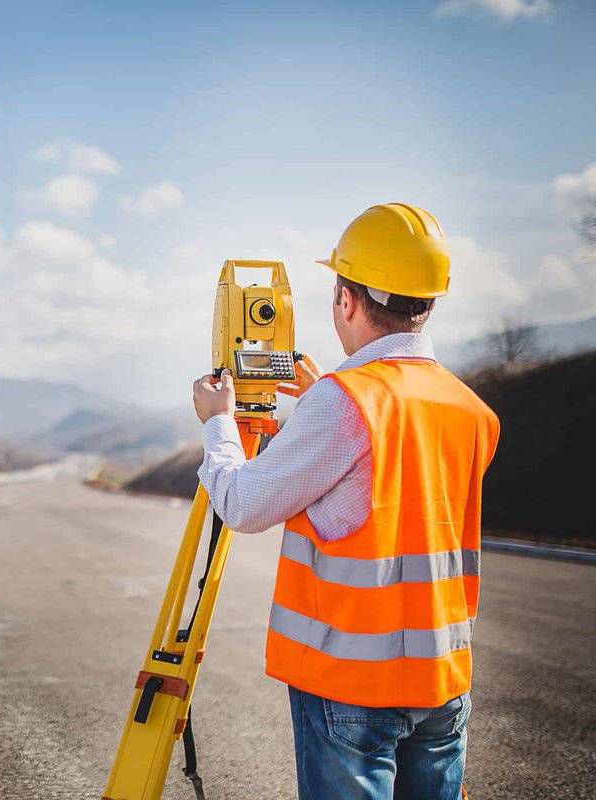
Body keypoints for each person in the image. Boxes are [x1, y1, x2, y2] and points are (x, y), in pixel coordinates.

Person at [191, 203, 500, 800]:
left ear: (348, 300)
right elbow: (394, 475)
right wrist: (322, 401)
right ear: (427, 302)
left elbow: (243, 505)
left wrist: (219, 425)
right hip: (442, 682)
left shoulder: (343, 403)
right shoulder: (469, 408)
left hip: (352, 685)